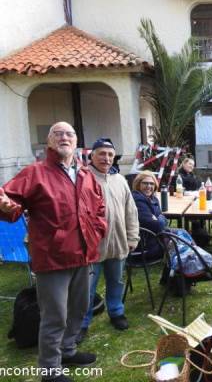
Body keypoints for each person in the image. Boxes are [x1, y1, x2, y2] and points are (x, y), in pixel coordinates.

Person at [0, 122, 107, 382]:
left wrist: (97, 231)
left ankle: (68, 350)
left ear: (76, 141)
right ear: (49, 142)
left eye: (69, 134)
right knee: (54, 316)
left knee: (80, 308)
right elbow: (9, 201)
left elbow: (99, 208)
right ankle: (49, 370)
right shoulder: (35, 173)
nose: (64, 137)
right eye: (57, 134)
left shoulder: (85, 175)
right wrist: (5, 204)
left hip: (83, 255)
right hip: (52, 258)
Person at [77, 138, 140, 344]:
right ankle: (81, 323)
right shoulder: (82, 178)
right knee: (87, 288)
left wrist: (133, 237)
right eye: (101, 154)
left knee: (116, 282)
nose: (106, 158)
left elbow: (131, 211)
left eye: (110, 155)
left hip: (118, 244)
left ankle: (116, 312)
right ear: (92, 156)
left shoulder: (120, 180)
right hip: (92, 247)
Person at [132, 170, 169, 261]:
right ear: (138, 184)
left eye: (151, 184)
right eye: (145, 183)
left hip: (155, 239)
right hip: (144, 249)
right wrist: (159, 220)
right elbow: (157, 225)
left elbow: (163, 220)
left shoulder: (153, 199)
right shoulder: (137, 199)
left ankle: (195, 262)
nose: (149, 186)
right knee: (178, 240)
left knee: (182, 234)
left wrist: (158, 219)